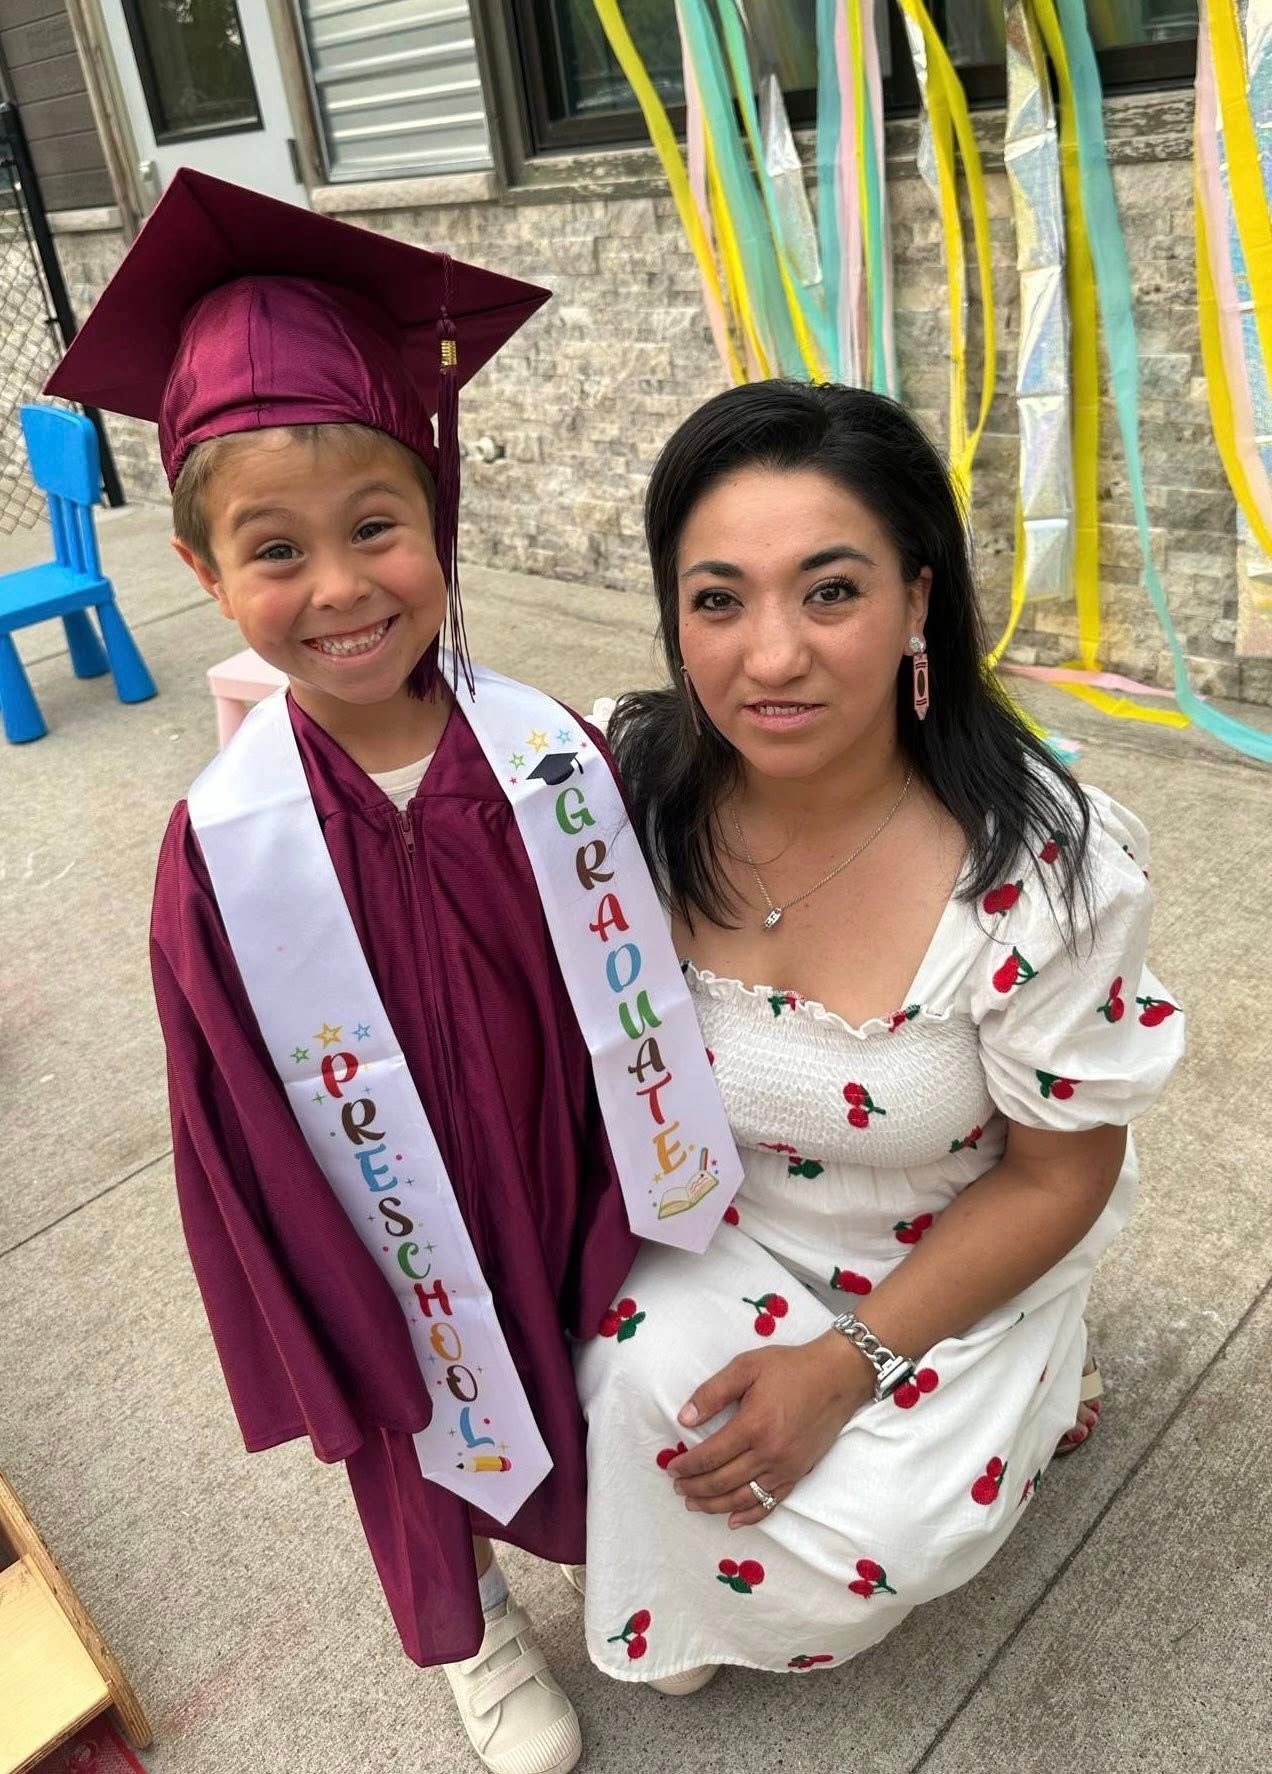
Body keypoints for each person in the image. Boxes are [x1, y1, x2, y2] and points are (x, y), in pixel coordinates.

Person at [46, 169, 739, 1774]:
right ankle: (466, 1628)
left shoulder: (549, 756)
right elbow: (226, 1113)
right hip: (374, 1207)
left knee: (588, 1355)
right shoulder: (222, 848)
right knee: (411, 1403)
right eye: (276, 550)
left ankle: (627, 1573)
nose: (343, 586)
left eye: (378, 526)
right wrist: (299, 1279)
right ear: (205, 570)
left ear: (439, 513)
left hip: (555, 1158)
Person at [579, 380, 1184, 1689]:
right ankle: (683, 1597)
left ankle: (1044, 1367)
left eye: (831, 591)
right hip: (730, 1221)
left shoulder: (1047, 869)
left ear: (919, 597)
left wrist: (847, 1368)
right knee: (623, 1395)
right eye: (719, 597)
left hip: (951, 1247)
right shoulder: (633, 788)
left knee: (877, 1540)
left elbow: (1056, 1171)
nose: (773, 655)